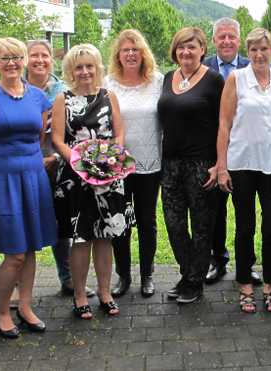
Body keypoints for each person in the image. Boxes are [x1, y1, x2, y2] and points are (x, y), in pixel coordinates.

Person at [0, 37, 55, 339]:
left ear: (25, 60)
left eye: (17, 57)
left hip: (33, 174)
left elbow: (37, 137)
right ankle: (3, 312)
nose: (11, 63)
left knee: (31, 248)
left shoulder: (38, 97)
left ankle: (26, 306)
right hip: (0, 177)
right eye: (4, 58)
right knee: (15, 252)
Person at [52, 44, 131, 320]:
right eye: (79, 67)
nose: (85, 71)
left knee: (105, 237)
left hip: (109, 177)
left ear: (98, 68)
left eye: (89, 66)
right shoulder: (62, 99)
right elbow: (57, 140)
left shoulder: (109, 96)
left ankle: (105, 292)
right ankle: (80, 295)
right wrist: (80, 163)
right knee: (81, 238)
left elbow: (119, 133)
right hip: (77, 180)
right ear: (71, 71)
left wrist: (111, 160)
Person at [217, 28, 271, 313]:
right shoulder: (237, 78)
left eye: (264, 49)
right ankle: (245, 284)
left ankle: (270, 285)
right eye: (254, 50)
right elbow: (224, 124)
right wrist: (222, 166)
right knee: (244, 226)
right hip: (242, 163)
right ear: (248, 53)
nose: (259, 55)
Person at [158, 27, 224, 304]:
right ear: (175, 50)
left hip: (202, 164)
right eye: (181, 47)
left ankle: (194, 282)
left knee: (201, 226)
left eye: (192, 47)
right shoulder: (167, 77)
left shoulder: (214, 80)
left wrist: (220, 164)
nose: (186, 52)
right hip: (171, 163)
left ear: (202, 50)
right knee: (173, 224)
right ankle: (188, 274)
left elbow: (225, 125)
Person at [26, 39, 95, 299]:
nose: (40, 60)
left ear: (52, 60)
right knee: (25, 222)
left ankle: (67, 278)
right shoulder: (16, 88)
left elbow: (69, 133)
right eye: (34, 55)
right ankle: (21, 285)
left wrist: (56, 156)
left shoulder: (63, 90)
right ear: (25, 59)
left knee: (63, 224)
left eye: (44, 55)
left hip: (59, 165)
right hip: (25, 167)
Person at [106, 29, 164, 298]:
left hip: (150, 163)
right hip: (117, 164)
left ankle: (147, 275)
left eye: (135, 49)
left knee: (147, 220)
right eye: (125, 49)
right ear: (118, 55)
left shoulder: (157, 81)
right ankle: (124, 276)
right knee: (120, 221)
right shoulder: (108, 84)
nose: (130, 54)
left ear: (144, 53)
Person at [201, 17, 254, 285]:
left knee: (246, 211)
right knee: (215, 210)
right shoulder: (203, 68)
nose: (226, 41)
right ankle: (217, 259)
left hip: (246, 151)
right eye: (221, 36)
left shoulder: (251, 66)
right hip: (213, 152)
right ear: (214, 41)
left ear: (239, 39)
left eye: (231, 36)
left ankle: (247, 264)